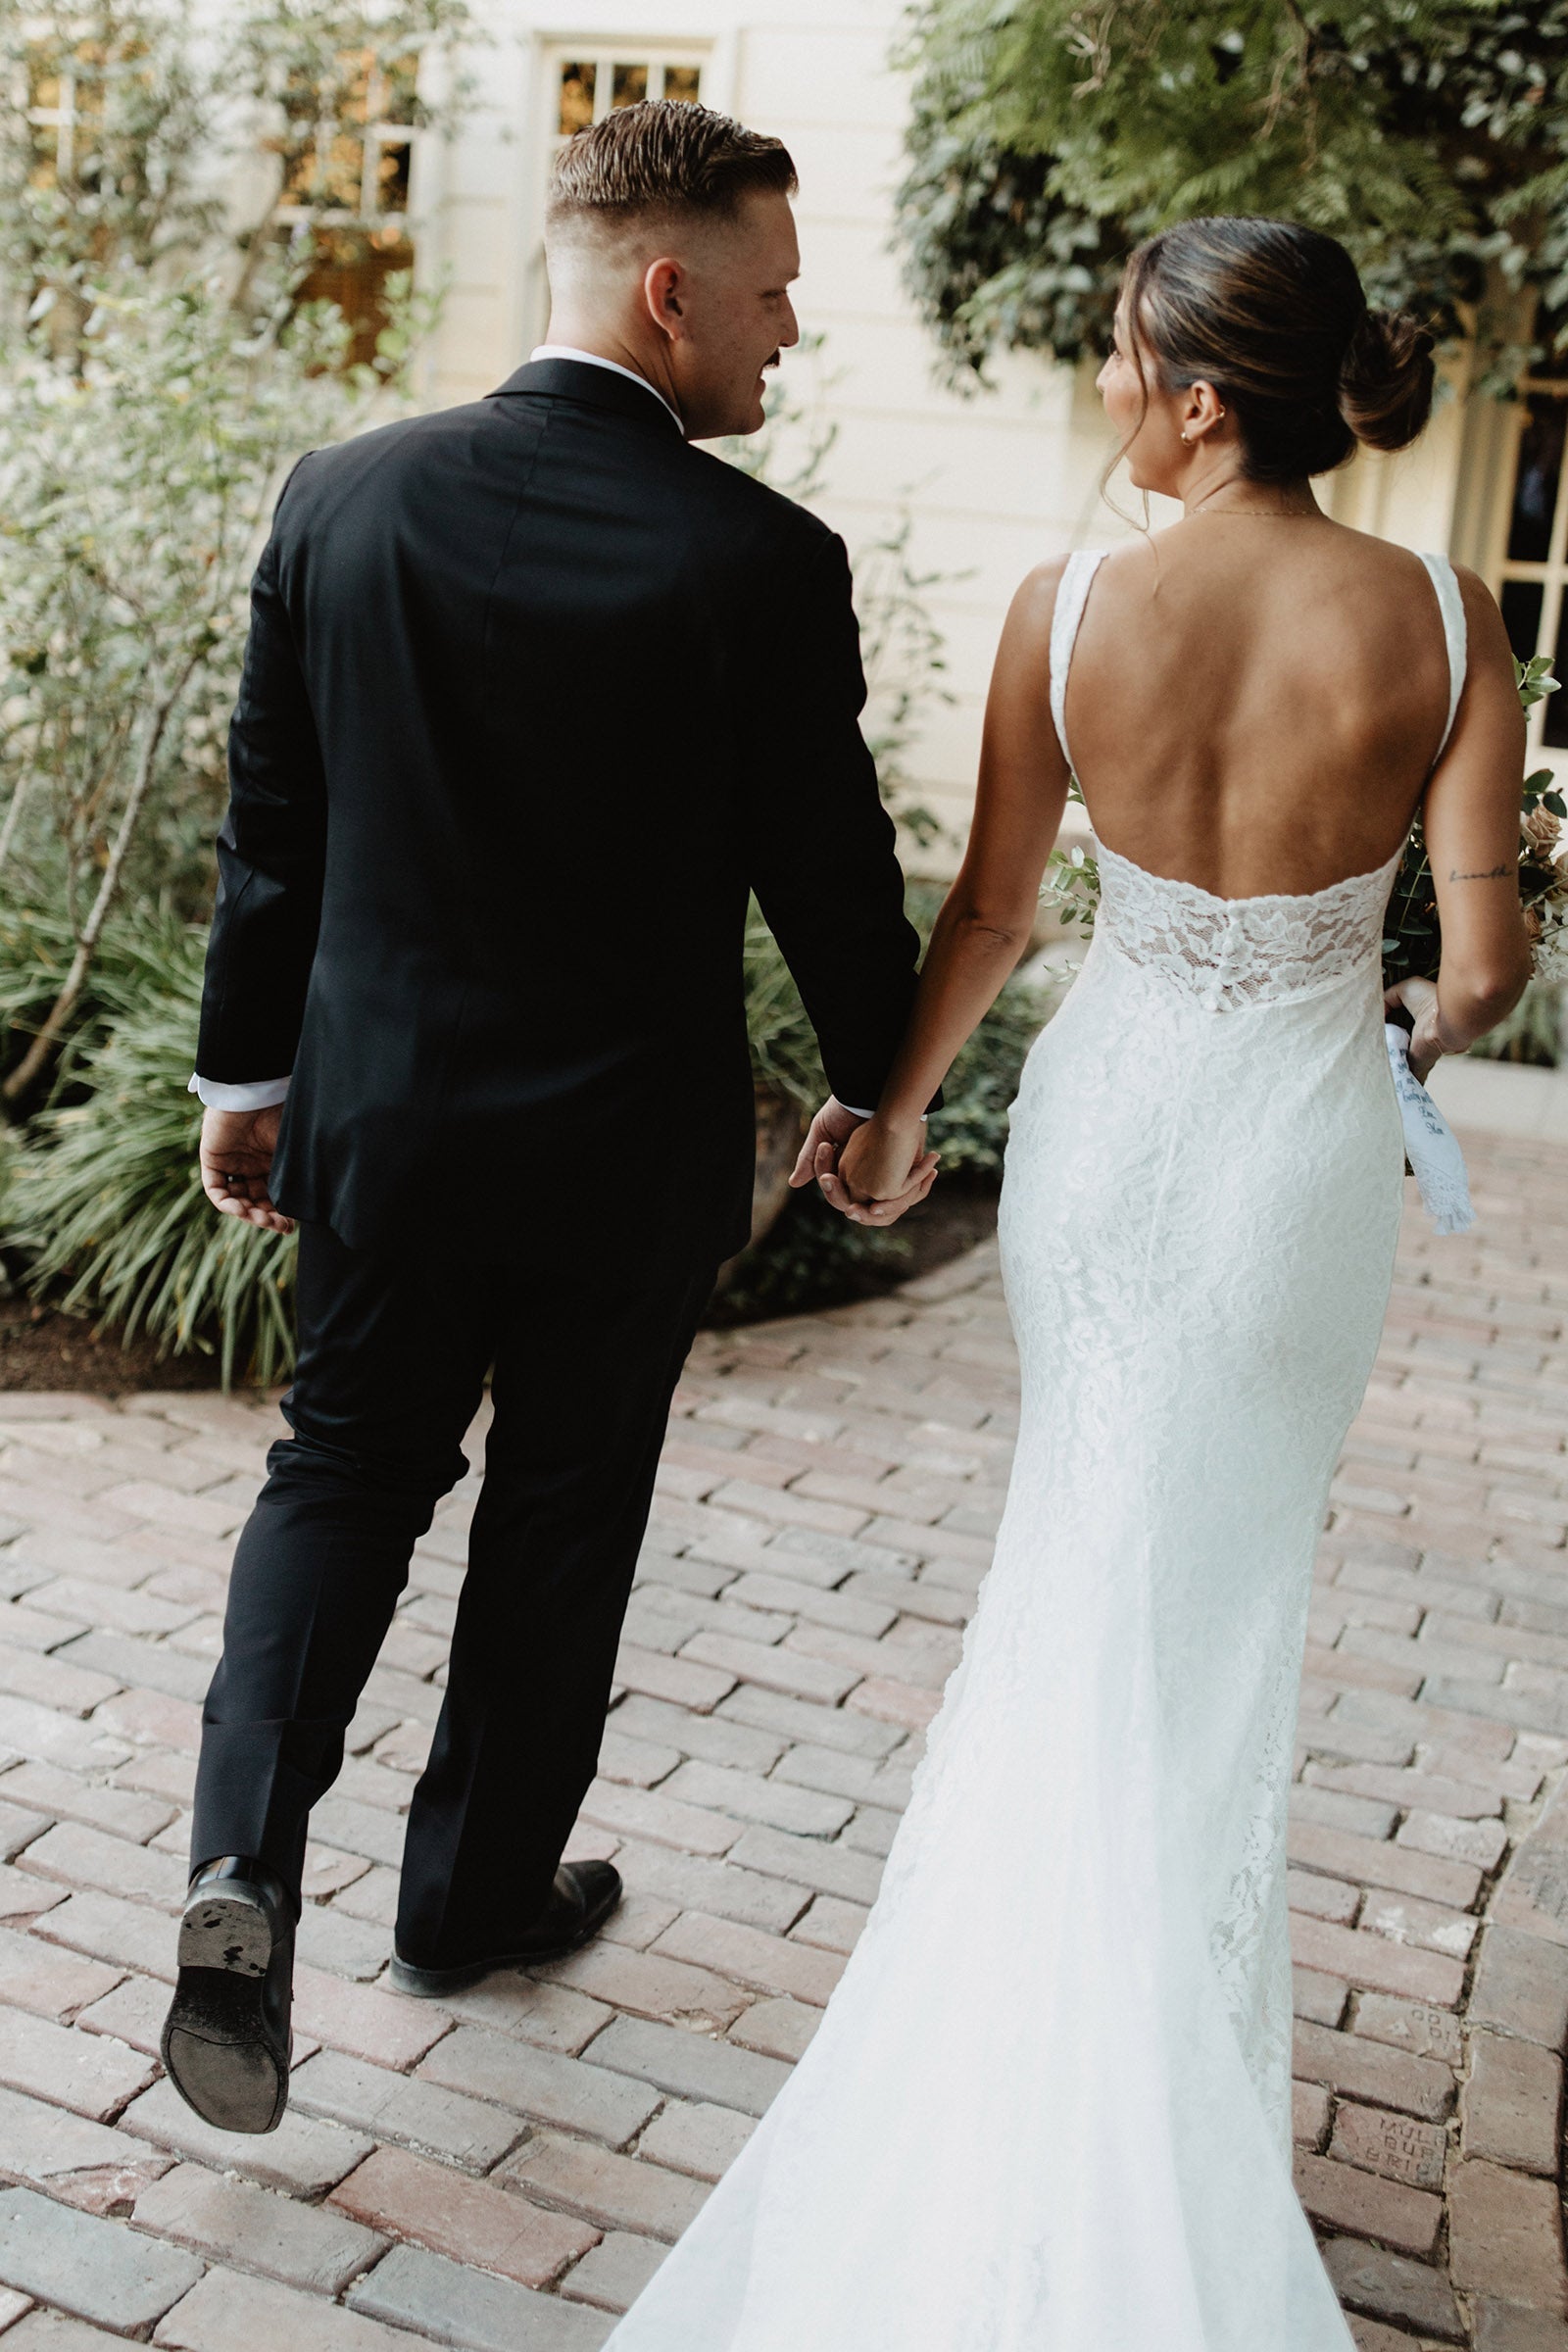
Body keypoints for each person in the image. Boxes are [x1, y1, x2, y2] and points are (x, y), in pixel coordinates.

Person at [605, 217, 1531, 2350]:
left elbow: (996, 915)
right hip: (1291, 1169)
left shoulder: (1068, 606)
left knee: (1075, 1568)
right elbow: (1480, 967)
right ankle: (1162, 2085)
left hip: (1107, 1153)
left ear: (1198, 396)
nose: (1108, 390)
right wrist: (1401, 1026)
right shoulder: (1441, 618)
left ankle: (1042, 2044)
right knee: (1219, 1612)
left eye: (1120, 358)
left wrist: (885, 1120)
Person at [159, 100, 938, 2137]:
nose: (788, 334)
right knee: (562, 1513)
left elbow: (272, 836)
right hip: (617, 1157)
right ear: (668, 290)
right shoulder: (761, 563)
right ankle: (470, 1896)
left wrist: (248, 1085)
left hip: (389, 1126)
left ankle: (242, 1862)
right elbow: (833, 879)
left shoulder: (342, 498)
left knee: (340, 1474)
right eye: (771, 296)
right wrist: (881, 1093)